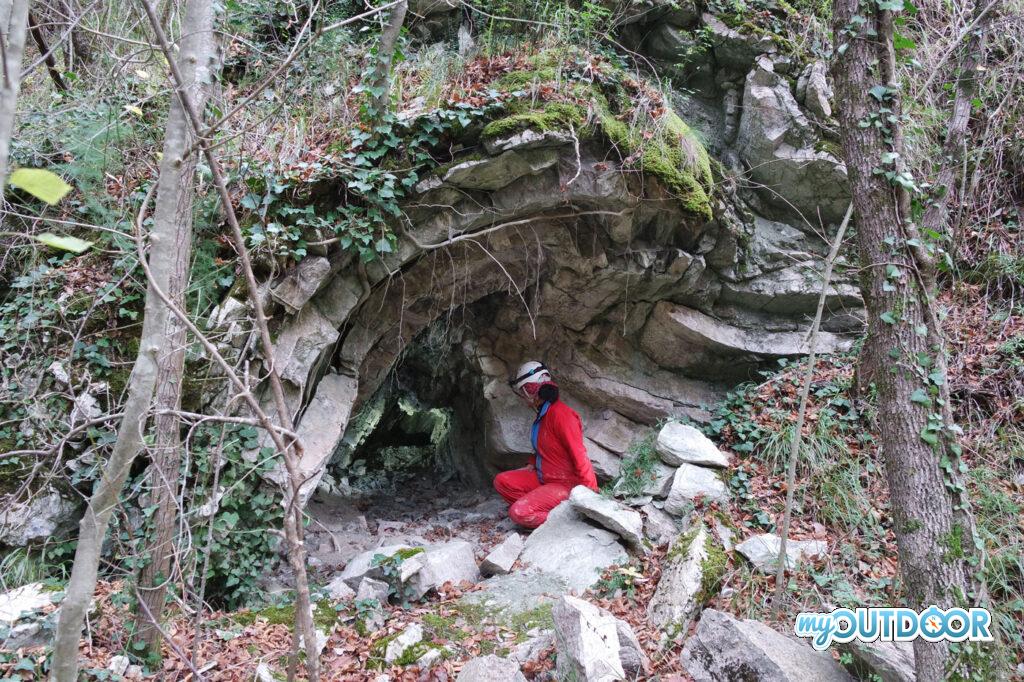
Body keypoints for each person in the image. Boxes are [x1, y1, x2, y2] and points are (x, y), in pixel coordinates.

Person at [493, 361, 598, 529]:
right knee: (502, 481)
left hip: (564, 485)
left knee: (518, 512)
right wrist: (531, 464)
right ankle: (542, 505)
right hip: (544, 479)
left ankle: (569, 519)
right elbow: (544, 448)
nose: (522, 396)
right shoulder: (543, 414)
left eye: (522, 391)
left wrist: (590, 497)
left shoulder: (562, 415)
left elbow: (579, 455)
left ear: (529, 390)